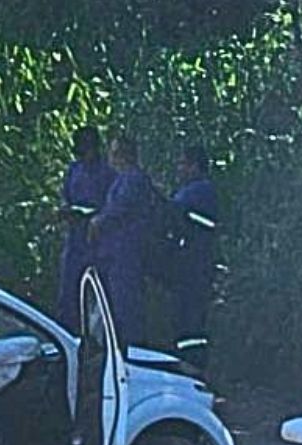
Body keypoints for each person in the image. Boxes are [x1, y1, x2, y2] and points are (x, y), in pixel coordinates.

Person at [89, 135, 156, 346]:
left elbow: (120, 209)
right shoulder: (121, 179)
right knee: (115, 304)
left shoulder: (134, 179)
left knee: (126, 305)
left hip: (127, 252)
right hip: (115, 252)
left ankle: (132, 349)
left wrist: (97, 222)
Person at [56, 127, 116, 333]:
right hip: (75, 239)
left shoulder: (108, 173)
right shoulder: (74, 169)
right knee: (68, 294)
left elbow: (114, 206)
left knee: (101, 295)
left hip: (99, 241)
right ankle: (68, 336)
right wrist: (65, 211)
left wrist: (97, 215)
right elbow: (66, 197)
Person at [166, 144, 219, 371]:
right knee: (184, 318)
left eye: (183, 164)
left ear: (195, 166)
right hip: (188, 265)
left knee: (192, 320)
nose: (179, 169)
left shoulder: (200, 191)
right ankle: (188, 362)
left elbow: (176, 216)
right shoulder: (190, 191)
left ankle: (194, 366)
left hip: (196, 265)